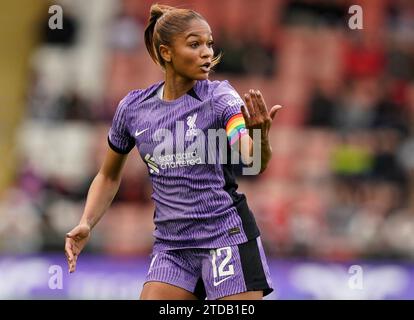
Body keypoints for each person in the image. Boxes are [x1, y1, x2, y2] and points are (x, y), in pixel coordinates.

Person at [65, 4, 282, 300]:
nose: (206, 52)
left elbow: (253, 159)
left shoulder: (220, 97)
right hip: (172, 247)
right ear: (166, 52)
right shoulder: (133, 109)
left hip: (226, 238)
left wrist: (259, 136)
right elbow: (107, 175)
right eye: (194, 44)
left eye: (209, 44)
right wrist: (86, 221)